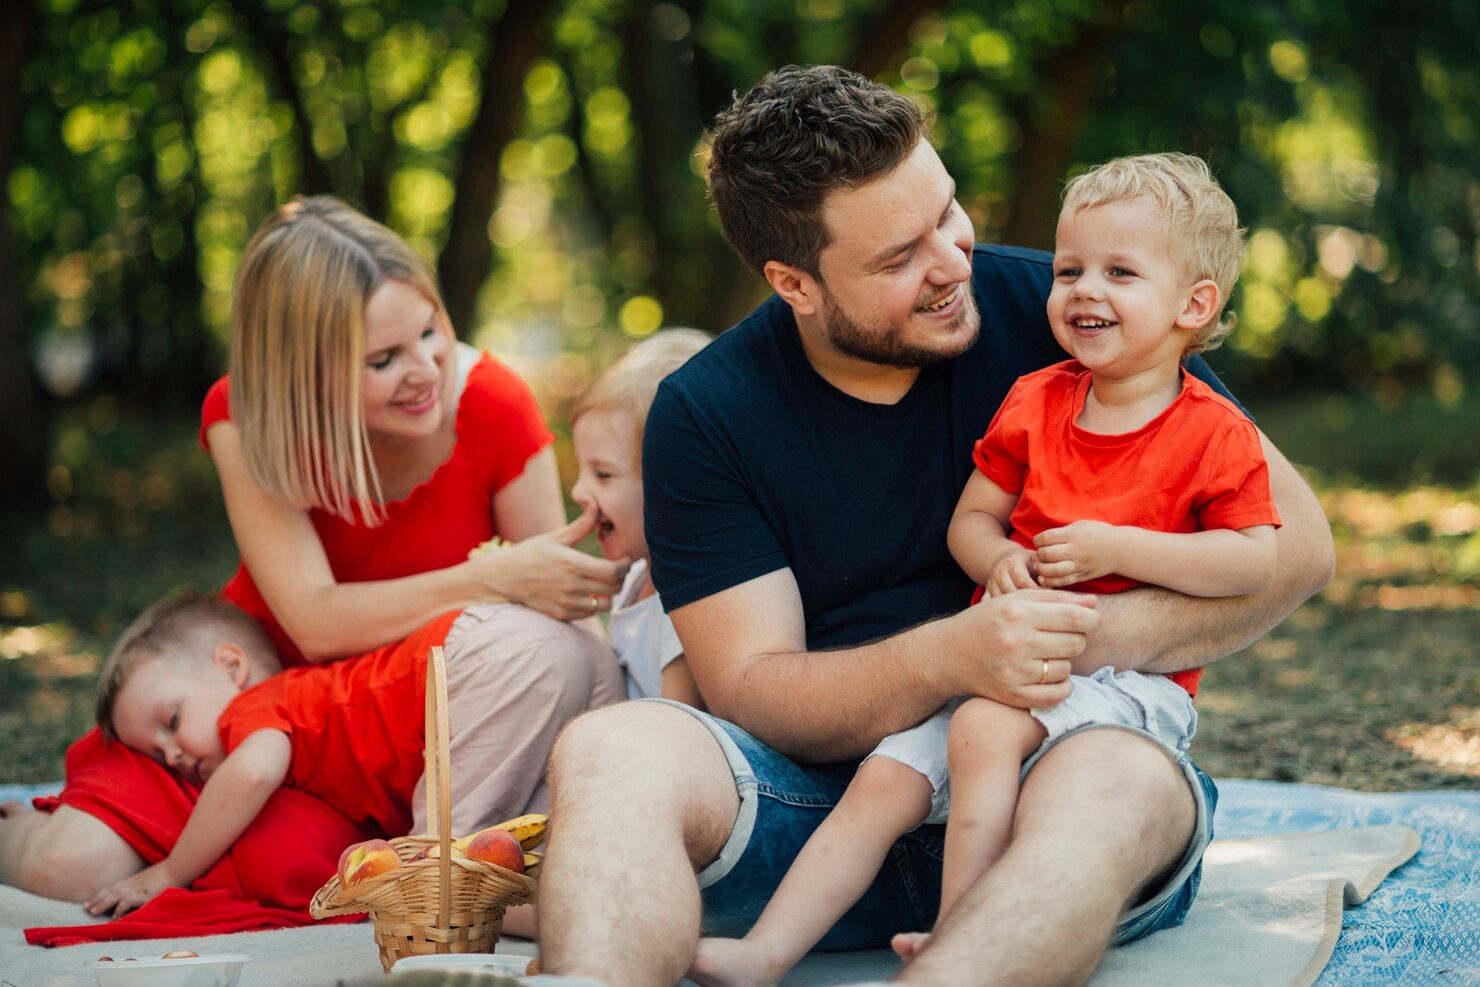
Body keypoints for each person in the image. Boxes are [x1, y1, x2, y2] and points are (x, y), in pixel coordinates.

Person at [535, 66, 1333, 987]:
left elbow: (1298, 550)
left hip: (1058, 784)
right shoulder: (706, 411)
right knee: (609, 748)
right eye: (898, 256)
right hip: (809, 819)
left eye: (947, 212)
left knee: (1116, 777)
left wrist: (1063, 645)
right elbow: (750, 684)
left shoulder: (1074, 315)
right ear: (794, 280)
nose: (953, 261)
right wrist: (954, 657)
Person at [687, 152, 1281, 986]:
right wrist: (999, 558)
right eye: (1070, 268)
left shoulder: (1211, 430)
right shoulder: (1037, 397)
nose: (1082, 289)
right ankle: (765, 949)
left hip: (1127, 686)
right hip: (996, 661)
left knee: (984, 731)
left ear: (1194, 305)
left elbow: (1258, 558)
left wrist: (1118, 550)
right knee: (885, 779)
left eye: (1119, 272)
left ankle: (955, 928)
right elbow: (973, 517)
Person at [0, 196, 627, 907]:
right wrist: (490, 577)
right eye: (383, 359)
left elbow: (558, 619)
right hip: (257, 717)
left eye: (430, 332)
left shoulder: (493, 406)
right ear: (304, 372)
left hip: (413, 743)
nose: (423, 369)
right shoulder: (248, 416)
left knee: (310, 869)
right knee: (70, 867)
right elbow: (315, 622)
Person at [81, 591, 621, 918]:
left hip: (477, 665)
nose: (174, 754)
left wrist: (171, 871)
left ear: (231, 666)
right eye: (156, 754)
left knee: (437, 882)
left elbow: (250, 773)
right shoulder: (303, 708)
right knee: (564, 831)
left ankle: (597, 913)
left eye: (172, 723)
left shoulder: (252, 709)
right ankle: (630, 885)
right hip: (555, 648)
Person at [569, 328, 712, 706]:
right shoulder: (634, 577)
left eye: (603, 475)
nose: (578, 492)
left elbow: (673, 728)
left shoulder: (685, 605)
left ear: (671, 483)